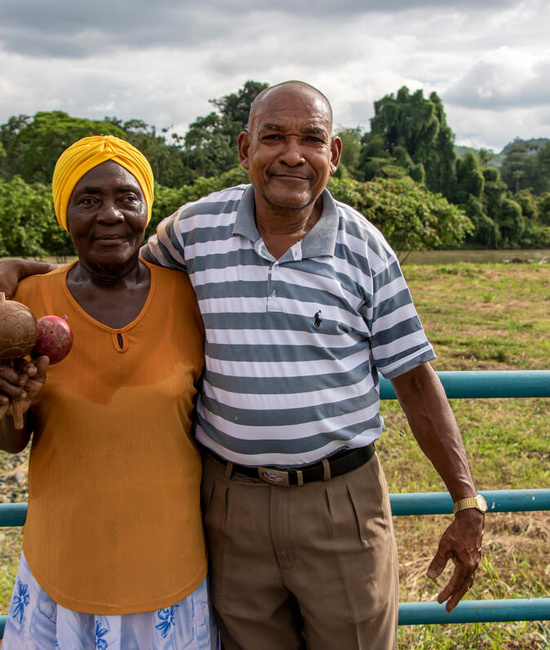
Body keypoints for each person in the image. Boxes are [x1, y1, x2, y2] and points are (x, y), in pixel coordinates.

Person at [0, 82, 485, 650]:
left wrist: (467, 499)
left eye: (311, 139)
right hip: (230, 505)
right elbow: (112, 264)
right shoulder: (194, 231)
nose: (291, 154)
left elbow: (415, 379)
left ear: (334, 153)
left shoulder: (368, 249)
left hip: (339, 501)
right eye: (273, 137)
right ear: (243, 147)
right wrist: (21, 273)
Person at [0, 136, 218, 649]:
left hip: (172, 565)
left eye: (127, 198)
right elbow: (11, 442)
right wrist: (6, 396)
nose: (110, 215)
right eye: (88, 200)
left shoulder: (191, 297)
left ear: (147, 209)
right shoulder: (25, 306)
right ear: (63, 212)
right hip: (64, 564)